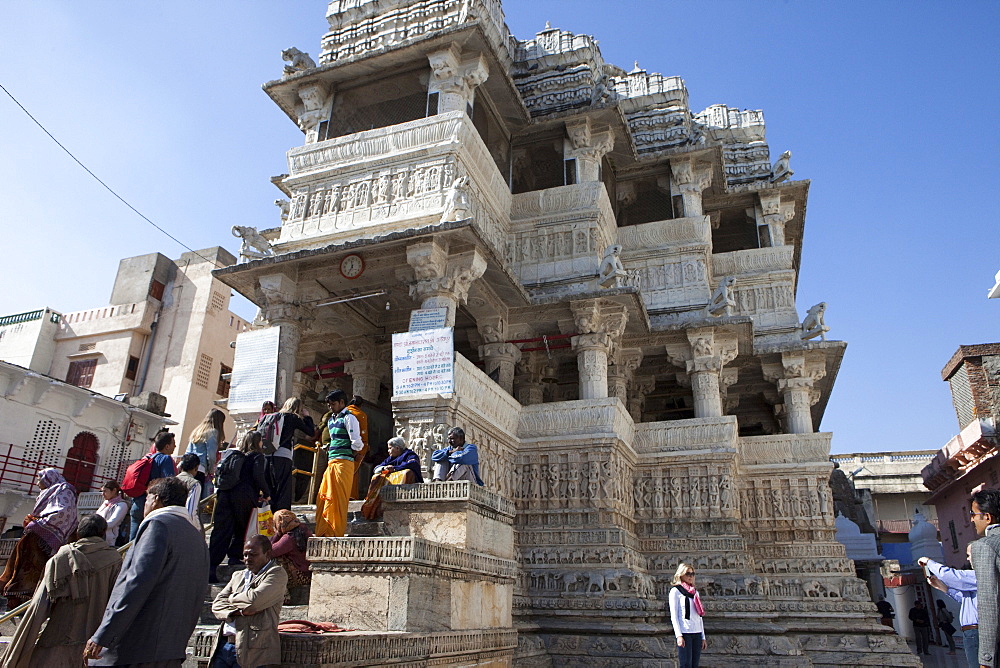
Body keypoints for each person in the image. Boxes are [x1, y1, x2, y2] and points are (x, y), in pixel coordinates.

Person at [85, 477, 209, 667]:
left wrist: (104, 634)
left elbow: (136, 584)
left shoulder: (158, 525)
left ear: (156, 499)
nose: (144, 504)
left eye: (147, 498)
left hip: (136, 647)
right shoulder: (196, 536)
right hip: (171, 649)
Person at [1, 514, 121, 667]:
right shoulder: (115, 560)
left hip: (56, 643)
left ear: (78, 533)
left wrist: (15, 655)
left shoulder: (61, 557)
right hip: (93, 647)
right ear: (103, 533)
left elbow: (38, 608)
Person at [0, 469, 78, 606]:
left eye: (40, 480)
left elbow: (63, 511)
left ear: (48, 480)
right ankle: (15, 596)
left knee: (35, 568)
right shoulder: (50, 491)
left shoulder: (64, 490)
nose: (37, 483)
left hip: (50, 538)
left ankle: (27, 598)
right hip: (37, 535)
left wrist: (40, 524)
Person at [209, 535, 287, 668]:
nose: (247, 559)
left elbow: (253, 602)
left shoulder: (276, 574)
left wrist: (232, 598)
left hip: (254, 650)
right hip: (224, 645)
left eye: (253, 554)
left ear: (267, 554)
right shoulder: (238, 575)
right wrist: (237, 612)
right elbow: (217, 604)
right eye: (245, 555)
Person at [209, 432, 272, 584]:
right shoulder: (257, 457)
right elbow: (258, 476)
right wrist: (267, 493)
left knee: (222, 530)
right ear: (257, 443)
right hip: (244, 496)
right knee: (242, 528)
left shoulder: (236, 456)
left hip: (225, 495)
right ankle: (234, 556)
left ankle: (211, 566)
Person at [921, 545, 979, 668]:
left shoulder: (979, 575)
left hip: (976, 630)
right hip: (970, 631)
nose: (968, 559)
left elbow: (951, 576)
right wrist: (942, 587)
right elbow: (964, 599)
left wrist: (929, 562)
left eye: (969, 555)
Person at [315, 390, 363, 537]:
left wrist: (347, 453)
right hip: (332, 462)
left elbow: (357, 444)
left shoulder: (350, 418)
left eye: (333, 404)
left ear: (342, 403)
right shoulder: (331, 420)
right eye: (329, 405)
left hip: (343, 463)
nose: (331, 407)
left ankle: (335, 532)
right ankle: (324, 531)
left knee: (339, 500)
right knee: (323, 497)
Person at [969, 488, 1000, 668]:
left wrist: (986, 658)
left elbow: (989, 601)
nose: (971, 519)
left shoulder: (984, 546)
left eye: (973, 514)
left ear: (987, 517)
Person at [267, 397, 315, 512]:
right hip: (283, 456)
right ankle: (281, 518)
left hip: (267, 456)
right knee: (283, 489)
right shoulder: (292, 417)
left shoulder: (273, 416)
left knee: (270, 488)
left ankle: (268, 516)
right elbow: (311, 432)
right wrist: (307, 417)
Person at [129, 430, 177, 541]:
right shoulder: (166, 459)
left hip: (137, 502)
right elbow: (169, 481)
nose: (175, 446)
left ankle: (128, 557)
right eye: (173, 443)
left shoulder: (148, 457)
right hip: (151, 504)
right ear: (167, 446)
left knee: (133, 540)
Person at [668, 563, 706, 668]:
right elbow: (674, 616)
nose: (690, 576)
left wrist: (703, 636)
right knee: (685, 664)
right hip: (685, 632)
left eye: (692, 574)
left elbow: (699, 616)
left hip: (697, 632)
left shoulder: (694, 592)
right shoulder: (675, 591)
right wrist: (679, 635)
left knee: (695, 664)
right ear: (681, 575)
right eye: (688, 573)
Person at [186, 408, 227, 497]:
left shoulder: (197, 430)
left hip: (188, 466)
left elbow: (188, 450)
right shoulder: (213, 432)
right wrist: (211, 470)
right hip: (200, 467)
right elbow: (211, 455)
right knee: (197, 496)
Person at [270, 510, 311, 597]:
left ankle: (284, 596)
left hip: (302, 576)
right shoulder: (302, 528)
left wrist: (278, 533)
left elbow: (270, 552)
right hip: (308, 572)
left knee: (275, 561)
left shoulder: (289, 538)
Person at [96, 480, 129, 546]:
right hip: (97, 535)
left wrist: (95, 526)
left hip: (108, 540)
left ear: (114, 490)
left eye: (105, 491)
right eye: (102, 491)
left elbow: (112, 523)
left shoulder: (122, 505)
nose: (102, 494)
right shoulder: (106, 502)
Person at [176, 453, 203, 529]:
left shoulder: (171, 480)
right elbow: (191, 511)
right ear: (196, 468)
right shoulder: (194, 484)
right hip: (183, 525)